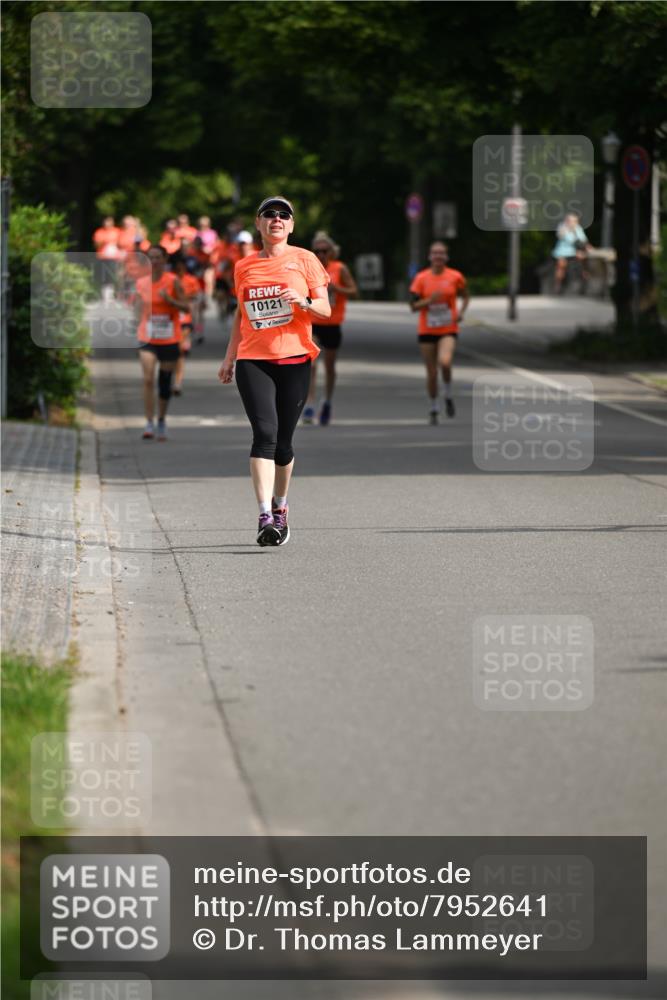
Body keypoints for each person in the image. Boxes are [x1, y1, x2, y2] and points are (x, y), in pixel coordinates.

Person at [218, 196, 330, 546]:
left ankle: (281, 508)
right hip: (254, 359)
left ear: (291, 225)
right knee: (263, 435)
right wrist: (229, 357)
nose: (276, 219)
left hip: (295, 358)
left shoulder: (305, 260)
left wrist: (305, 303)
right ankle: (265, 515)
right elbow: (241, 313)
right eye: (270, 214)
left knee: (283, 444)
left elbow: (326, 308)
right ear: (259, 223)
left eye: (284, 215)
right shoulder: (244, 266)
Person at [134, 245, 190, 440]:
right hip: (147, 336)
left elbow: (187, 307)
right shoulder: (141, 283)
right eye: (151, 257)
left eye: (158, 257)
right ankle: (148, 422)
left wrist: (171, 302)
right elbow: (136, 308)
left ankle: (161, 420)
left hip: (169, 337)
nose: (154, 261)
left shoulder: (173, 281)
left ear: (165, 260)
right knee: (148, 380)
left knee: (164, 382)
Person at [409, 241, 469, 423]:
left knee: (445, 362)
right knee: (432, 372)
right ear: (430, 257)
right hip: (427, 329)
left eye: (441, 254)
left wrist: (460, 312)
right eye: (435, 253)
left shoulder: (455, 276)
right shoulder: (421, 278)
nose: (438, 257)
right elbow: (413, 306)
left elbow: (465, 296)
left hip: (447, 327)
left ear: (446, 257)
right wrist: (428, 301)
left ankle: (448, 393)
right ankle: (434, 407)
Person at [302, 232, 357, 426]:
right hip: (314, 322)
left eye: (324, 251)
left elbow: (354, 290)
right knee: (312, 363)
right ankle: (309, 403)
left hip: (333, 324)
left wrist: (337, 289)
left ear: (331, 252)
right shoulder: (308, 269)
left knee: (330, 367)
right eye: (317, 251)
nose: (321, 254)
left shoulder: (339, 268)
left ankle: (327, 402)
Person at [172, 255, 202, 395]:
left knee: (179, 352)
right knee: (171, 354)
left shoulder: (191, 280)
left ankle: (177, 382)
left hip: (185, 319)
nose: (179, 269)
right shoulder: (169, 279)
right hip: (169, 320)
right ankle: (168, 377)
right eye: (177, 266)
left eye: (181, 266)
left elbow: (195, 298)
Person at [552, 212, 593, 293]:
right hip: (562, 252)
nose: (572, 223)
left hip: (575, 252)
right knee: (561, 264)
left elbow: (583, 240)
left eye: (574, 221)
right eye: (570, 221)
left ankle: (585, 278)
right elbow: (571, 240)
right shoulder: (562, 228)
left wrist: (588, 247)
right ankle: (557, 285)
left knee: (585, 259)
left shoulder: (578, 228)